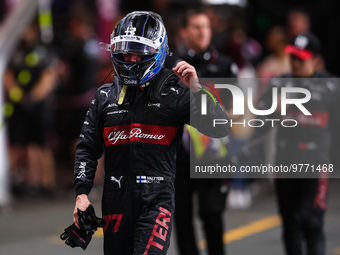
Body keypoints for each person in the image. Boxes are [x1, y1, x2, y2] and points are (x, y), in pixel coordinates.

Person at [71, 11, 229, 255]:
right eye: (125, 52)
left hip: (157, 202)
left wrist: (197, 90)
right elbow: (87, 149)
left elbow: (220, 127)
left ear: (157, 51)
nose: (130, 59)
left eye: (138, 53)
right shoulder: (104, 96)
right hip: (115, 201)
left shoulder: (176, 91)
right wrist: (81, 194)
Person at [253, 33, 340, 255]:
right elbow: (259, 126)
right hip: (285, 163)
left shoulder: (330, 87)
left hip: (316, 164)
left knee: (310, 221)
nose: (296, 62)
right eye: (293, 57)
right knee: (290, 223)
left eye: (301, 58)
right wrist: (273, 109)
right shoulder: (278, 83)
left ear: (315, 60)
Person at [165, 8, 237, 255]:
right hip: (180, 155)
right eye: (196, 26)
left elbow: (233, 112)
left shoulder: (225, 65)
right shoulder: (171, 66)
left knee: (211, 213)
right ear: (184, 31)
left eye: (206, 26)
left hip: (213, 154)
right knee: (181, 216)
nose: (203, 31)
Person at [3, 21, 58, 197]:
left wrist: (34, 98)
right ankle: (27, 182)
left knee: (42, 145)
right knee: (19, 144)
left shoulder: (43, 49)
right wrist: (18, 95)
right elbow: (7, 73)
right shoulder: (14, 48)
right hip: (19, 104)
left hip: (39, 105)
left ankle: (47, 183)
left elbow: (49, 76)